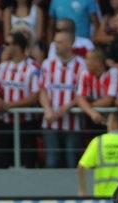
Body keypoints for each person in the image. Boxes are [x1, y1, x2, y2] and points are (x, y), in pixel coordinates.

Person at [39, 28, 86, 168]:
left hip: (73, 123)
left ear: (69, 44)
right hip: (50, 122)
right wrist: (47, 109)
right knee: (51, 162)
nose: (55, 45)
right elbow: (42, 90)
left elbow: (84, 93)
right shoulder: (47, 64)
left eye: (59, 42)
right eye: (55, 42)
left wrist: (64, 109)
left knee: (72, 161)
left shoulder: (82, 64)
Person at [0, 31, 41, 169]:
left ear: (17, 46)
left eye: (8, 44)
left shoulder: (33, 68)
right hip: (5, 121)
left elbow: (34, 96)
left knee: (27, 163)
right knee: (1, 163)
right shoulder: (3, 67)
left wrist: (8, 105)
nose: (5, 47)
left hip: (25, 123)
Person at [77, 111, 118, 197]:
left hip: (102, 199)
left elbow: (81, 167)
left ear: (115, 122)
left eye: (108, 121)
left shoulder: (98, 141)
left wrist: (82, 191)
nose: (107, 124)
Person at [75, 48, 118, 128]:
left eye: (88, 59)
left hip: (114, 118)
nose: (85, 62)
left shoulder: (112, 73)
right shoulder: (85, 74)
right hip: (93, 117)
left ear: (98, 62)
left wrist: (87, 106)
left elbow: (108, 101)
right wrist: (92, 112)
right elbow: (80, 99)